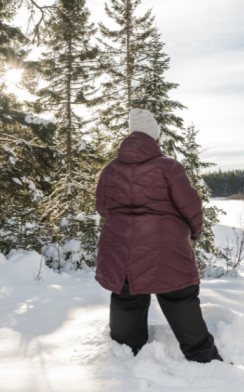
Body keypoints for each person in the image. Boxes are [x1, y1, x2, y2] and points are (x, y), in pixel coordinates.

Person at [95, 109, 222, 363]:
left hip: (119, 247)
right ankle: (202, 358)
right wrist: (194, 233)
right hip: (166, 247)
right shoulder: (169, 167)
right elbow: (191, 207)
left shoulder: (110, 170)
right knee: (180, 298)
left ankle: (125, 355)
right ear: (155, 136)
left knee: (126, 298)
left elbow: (102, 207)